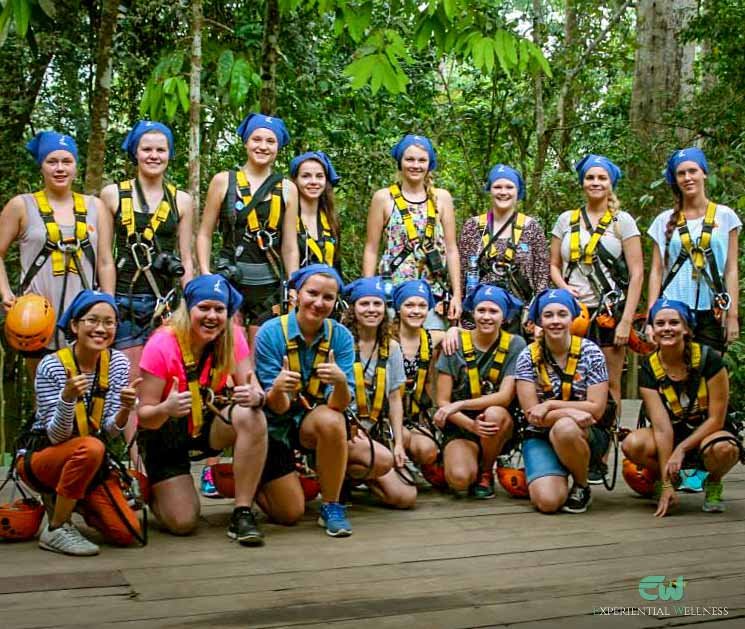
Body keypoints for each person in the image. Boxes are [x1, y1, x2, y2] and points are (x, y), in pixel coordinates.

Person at [137, 275, 268, 545]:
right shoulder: (161, 345)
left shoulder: (230, 339)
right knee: (183, 522)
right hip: (165, 429)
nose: (212, 316)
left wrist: (255, 396)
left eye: (219, 310)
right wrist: (165, 408)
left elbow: (253, 386)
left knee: (252, 416)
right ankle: (155, 491)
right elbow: (145, 416)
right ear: (189, 309)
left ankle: (242, 512)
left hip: (208, 421)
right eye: (204, 308)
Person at [98, 120, 195, 476]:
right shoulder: (112, 195)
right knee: (129, 384)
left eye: (161, 150)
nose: (154, 155)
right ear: (135, 153)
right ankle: (136, 465)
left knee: (161, 379)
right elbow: (105, 256)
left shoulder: (181, 200)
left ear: (169, 155)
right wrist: (106, 306)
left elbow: (186, 258)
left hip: (164, 302)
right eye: (147, 149)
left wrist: (190, 303)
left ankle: (158, 458)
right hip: (124, 298)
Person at [15, 290, 140, 555]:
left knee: (127, 533)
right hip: (42, 458)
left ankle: (75, 499)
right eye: (92, 320)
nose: (101, 328)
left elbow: (110, 430)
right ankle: (56, 528)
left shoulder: (117, 363)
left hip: (87, 461)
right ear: (74, 325)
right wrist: (67, 398)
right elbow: (56, 436)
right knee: (92, 447)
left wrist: (125, 410)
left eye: (109, 322)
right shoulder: (51, 366)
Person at [253, 264, 356, 536]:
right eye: (312, 293)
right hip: (275, 430)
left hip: (310, 424)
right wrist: (276, 388)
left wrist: (341, 382)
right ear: (296, 294)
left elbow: (338, 406)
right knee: (290, 514)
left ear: (336, 302)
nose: (319, 303)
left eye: (328, 297)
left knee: (336, 423)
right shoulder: (271, 332)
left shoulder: (341, 336)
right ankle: (256, 480)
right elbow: (277, 406)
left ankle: (332, 505)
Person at [621, 299, 741, 516]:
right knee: (633, 444)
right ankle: (667, 479)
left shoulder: (709, 359)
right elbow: (661, 428)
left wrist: (681, 449)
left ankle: (713, 482)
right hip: (672, 433)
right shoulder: (649, 367)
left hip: (709, 432)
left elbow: (716, 419)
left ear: (686, 328)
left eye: (674, 323)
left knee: (725, 449)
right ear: (653, 331)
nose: (667, 328)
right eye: (660, 323)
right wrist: (666, 482)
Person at [549, 154, 643, 426]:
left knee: (609, 381)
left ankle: (603, 448)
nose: (595, 182)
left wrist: (626, 321)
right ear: (582, 182)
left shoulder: (621, 221)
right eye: (590, 177)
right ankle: (571, 439)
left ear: (611, 183)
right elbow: (554, 264)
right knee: (568, 377)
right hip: (571, 312)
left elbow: (637, 273)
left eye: (602, 178)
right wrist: (563, 287)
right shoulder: (566, 219)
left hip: (608, 312)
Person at [0, 132, 100, 377]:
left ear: (76, 166)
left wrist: (106, 304)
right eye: (52, 162)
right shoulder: (21, 205)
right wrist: (5, 292)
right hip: (35, 319)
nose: (59, 168)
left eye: (67, 162)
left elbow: (105, 260)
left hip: (84, 315)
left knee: (88, 399)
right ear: (41, 166)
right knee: (44, 400)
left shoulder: (95, 206)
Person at [197, 113, 299, 338]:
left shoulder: (287, 188)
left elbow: (290, 245)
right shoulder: (224, 181)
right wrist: (206, 274)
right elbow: (205, 233)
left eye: (270, 141)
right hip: (231, 280)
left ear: (278, 147)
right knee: (231, 356)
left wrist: (293, 284)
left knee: (263, 354)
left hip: (270, 285)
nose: (263, 147)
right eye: (257, 139)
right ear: (246, 142)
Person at [515, 289, 610, 514]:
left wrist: (550, 405)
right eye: (548, 315)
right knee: (548, 502)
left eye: (562, 314)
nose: (555, 321)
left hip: (585, 433)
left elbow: (596, 410)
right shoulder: (528, 356)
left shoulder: (592, 353)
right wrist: (574, 412)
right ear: (539, 320)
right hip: (540, 434)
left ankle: (581, 484)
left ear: (572, 317)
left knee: (565, 428)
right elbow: (531, 414)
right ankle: (552, 469)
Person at [434, 284, 525, 498]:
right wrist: (470, 425)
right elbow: (442, 400)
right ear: (472, 313)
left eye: (493, 311)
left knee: (493, 413)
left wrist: (461, 404)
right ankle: (461, 458)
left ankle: (486, 470)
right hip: (461, 423)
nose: (486, 317)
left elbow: (504, 397)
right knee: (459, 480)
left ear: (505, 317)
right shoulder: (454, 342)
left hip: (497, 423)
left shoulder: (515, 344)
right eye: (481, 310)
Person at [647, 147, 741, 353]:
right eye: (681, 173)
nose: (687, 178)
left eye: (692, 171)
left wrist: (732, 314)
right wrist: (651, 316)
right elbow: (656, 271)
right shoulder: (663, 221)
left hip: (712, 309)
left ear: (704, 173)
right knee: (674, 375)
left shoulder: (725, 216)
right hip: (672, 311)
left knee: (711, 376)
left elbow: (731, 269)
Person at [362, 134, 461, 327]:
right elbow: (371, 248)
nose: (415, 165)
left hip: (433, 293)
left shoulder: (441, 198)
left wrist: (457, 294)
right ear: (400, 163)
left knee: (432, 346)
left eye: (422, 160)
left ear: (429, 164)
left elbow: (451, 249)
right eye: (410, 159)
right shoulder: (384, 198)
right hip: (394, 291)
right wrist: (369, 292)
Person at [341, 277, 417, 509]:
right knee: (374, 457)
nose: (372, 310)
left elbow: (395, 398)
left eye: (378, 304)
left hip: (373, 429)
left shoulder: (391, 347)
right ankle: (337, 474)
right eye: (365, 304)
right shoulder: (339, 340)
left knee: (406, 497)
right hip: (343, 430)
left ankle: (352, 477)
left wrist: (398, 444)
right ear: (353, 308)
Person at [458, 164, 549, 329]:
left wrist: (537, 314)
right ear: (489, 190)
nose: (503, 192)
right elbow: (462, 272)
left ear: (518, 191)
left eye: (509, 187)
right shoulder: (473, 227)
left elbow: (541, 276)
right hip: (480, 314)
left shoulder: (531, 227)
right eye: (497, 187)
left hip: (520, 314)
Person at [393, 280, 443, 471]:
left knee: (428, 451)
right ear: (398, 308)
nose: (416, 311)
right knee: (402, 437)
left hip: (414, 417)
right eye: (409, 305)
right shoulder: (387, 338)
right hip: (386, 417)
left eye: (422, 306)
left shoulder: (432, 338)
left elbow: (468, 335)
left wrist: (454, 330)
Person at [290, 151, 342, 273]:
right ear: (295, 180)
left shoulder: (331, 219)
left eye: (319, 176)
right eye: (306, 176)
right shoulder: (286, 217)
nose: (313, 181)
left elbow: (337, 263)